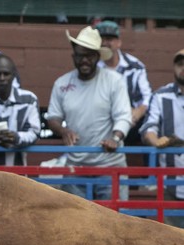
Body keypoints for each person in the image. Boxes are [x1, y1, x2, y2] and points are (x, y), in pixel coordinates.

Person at [46, 26, 132, 200]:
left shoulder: (114, 81)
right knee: (74, 224)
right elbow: (53, 117)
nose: (84, 60)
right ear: (73, 56)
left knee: (114, 224)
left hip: (110, 166)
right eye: (80, 55)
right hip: (75, 167)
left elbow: (123, 116)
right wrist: (64, 131)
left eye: (89, 55)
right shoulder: (61, 83)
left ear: (98, 57)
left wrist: (115, 139)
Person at [96, 20, 152, 149]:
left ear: (118, 42)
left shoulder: (135, 66)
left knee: (149, 126)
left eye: (109, 39)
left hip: (132, 124)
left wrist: (138, 112)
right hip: (101, 122)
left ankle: (146, 169)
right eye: (101, 39)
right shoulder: (93, 67)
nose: (105, 43)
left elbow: (147, 97)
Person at [140, 48, 184, 205]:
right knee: (169, 228)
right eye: (180, 64)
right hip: (169, 182)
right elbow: (149, 128)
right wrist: (155, 140)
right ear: (174, 67)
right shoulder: (161, 96)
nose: (183, 68)